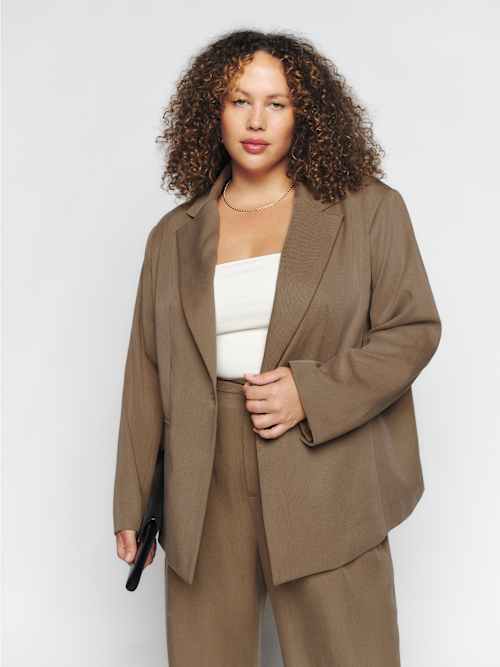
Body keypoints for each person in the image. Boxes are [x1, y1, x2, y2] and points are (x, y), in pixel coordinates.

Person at [113, 29, 442, 666]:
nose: (256, 121)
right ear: (213, 111)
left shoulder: (369, 211)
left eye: (277, 103)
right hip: (202, 474)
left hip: (326, 465)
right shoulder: (173, 236)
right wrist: (133, 498)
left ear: (305, 114)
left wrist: (311, 392)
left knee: (348, 654)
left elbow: (413, 329)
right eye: (239, 101)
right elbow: (146, 370)